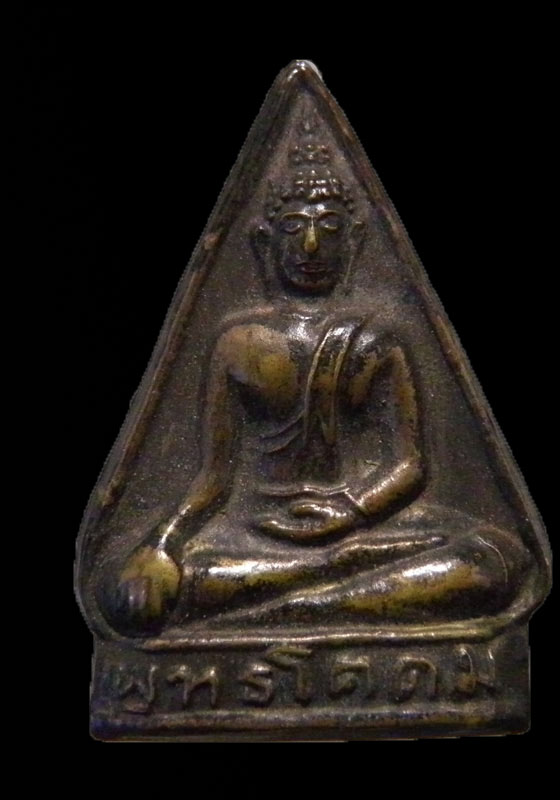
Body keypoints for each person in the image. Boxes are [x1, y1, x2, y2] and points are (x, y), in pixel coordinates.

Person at [108, 134, 531, 636]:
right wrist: (162, 543)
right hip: (256, 533)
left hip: (362, 530)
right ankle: (336, 600)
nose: (311, 245)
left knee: (493, 560)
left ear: (354, 239)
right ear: (264, 242)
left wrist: (351, 512)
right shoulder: (239, 342)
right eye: (294, 227)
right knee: (133, 594)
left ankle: (283, 610)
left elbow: (411, 465)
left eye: (328, 228)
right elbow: (213, 479)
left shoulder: (377, 339)